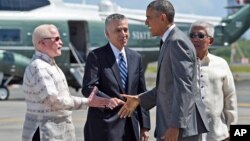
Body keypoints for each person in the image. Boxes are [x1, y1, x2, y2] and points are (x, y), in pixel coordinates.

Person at [118, 0, 209, 141]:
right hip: (174, 125)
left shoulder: (176, 42)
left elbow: (184, 87)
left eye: (149, 17)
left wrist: (175, 126)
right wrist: (139, 99)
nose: (146, 23)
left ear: (162, 17)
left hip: (181, 129)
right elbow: (167, 86)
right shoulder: (169, 41)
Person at [22, 24, 109, 141]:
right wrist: (87, 102)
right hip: (45, 133)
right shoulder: (39, 67)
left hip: (56, 132)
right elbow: (54, 100)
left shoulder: (49, 65)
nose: (61, 43)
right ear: (41, 43)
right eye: (56, 39)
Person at [81, 13, 151, 141]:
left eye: (125, 29)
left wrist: (145, 127)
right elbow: (88, 88)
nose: (123, 34)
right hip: (105, 127)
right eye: (118, 30)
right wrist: (108, 100)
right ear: (107, 34)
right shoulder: (96, 56)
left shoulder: (136, 58)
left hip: (131, 126)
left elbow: (141, 93)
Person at [189, 21, 238, 141]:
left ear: (210, 41)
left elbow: (230, 98)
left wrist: (233, 130)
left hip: (217, 135)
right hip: (188, 135)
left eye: (200, 36)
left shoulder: (221, 64)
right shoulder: (181, 64)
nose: (195, 39)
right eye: (192, 35)